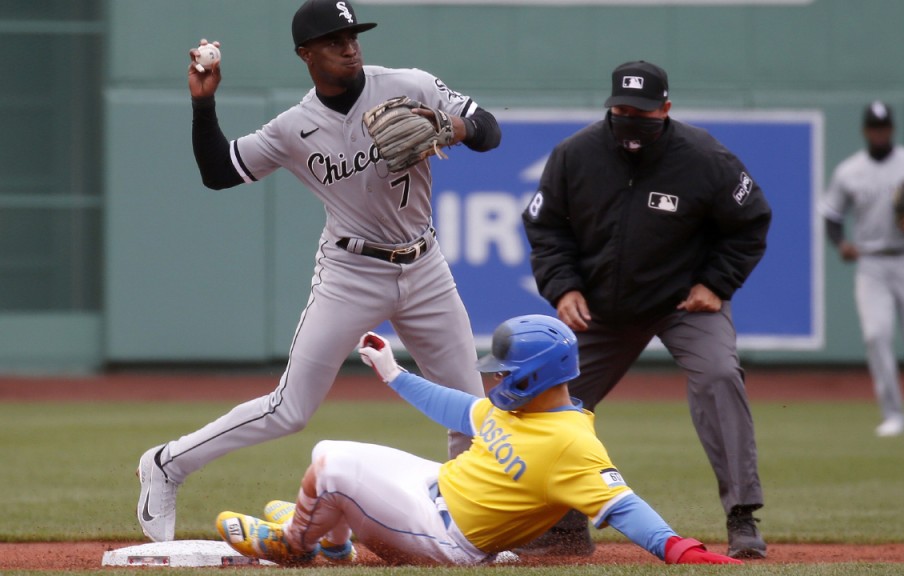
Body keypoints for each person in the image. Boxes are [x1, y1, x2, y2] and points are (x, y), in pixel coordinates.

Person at [136, 0, 502, 542]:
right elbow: (219, 172)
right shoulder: (294, 128)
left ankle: (464, 533)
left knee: (470, 413)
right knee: (290, 409)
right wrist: (203, 105)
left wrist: (453, 127)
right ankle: (166, 464)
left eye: (353, 35)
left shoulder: (411, 85)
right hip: (351, 271)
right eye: (334, 40)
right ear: (306, 54)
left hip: (425, 267)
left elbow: (488, 128)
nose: (349, 46)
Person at [214, 316, 743, 566]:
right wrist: (393, 373)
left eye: (504, 373)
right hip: (434, 491)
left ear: (536, 376)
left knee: (328, 460)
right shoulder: (522, 408)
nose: (494, 380)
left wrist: (682, 550)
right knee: (342, 468)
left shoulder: (571, 443)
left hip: (449, 540)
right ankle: (332, 541)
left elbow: (626, 508)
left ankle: (295, 544)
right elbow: (456, 409)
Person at [521, 61, 772, 559]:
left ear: (666, 109)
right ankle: (567, 523)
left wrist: (716, 283)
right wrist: (564, 287)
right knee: (550, 403)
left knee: (720, 374)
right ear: (609, 107)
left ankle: (742, 517)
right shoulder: (575, 155)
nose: (630, 119)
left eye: (641, 111)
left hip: (682, 302)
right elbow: (546, 228)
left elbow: (750, 222)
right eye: (621, 109)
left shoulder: (705, 158)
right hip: (601, 308)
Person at [821, 101, 904, 438]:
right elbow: (831, 217)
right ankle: (894, 413)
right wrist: (841, 245)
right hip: (871, 263)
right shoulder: (849, 171)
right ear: (865, 131)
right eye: (873, 127)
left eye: (883, 127)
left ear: (892, 129)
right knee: (876, 335)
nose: (879, 133)